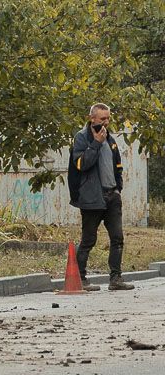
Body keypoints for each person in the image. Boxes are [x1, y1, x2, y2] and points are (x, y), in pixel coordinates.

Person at [68, 103, 134, 291]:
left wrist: (117, 188)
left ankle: (116, 279)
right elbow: (81, 164)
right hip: (92, 198)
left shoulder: (110, 139)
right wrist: (95, 143)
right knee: (89, 239)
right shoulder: (82, 138)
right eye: (102, 118)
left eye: (108, 118)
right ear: (92, 118)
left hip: (112, 196)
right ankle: (81, 279)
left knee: (117, 238)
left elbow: (117, 166)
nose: (106, 122)